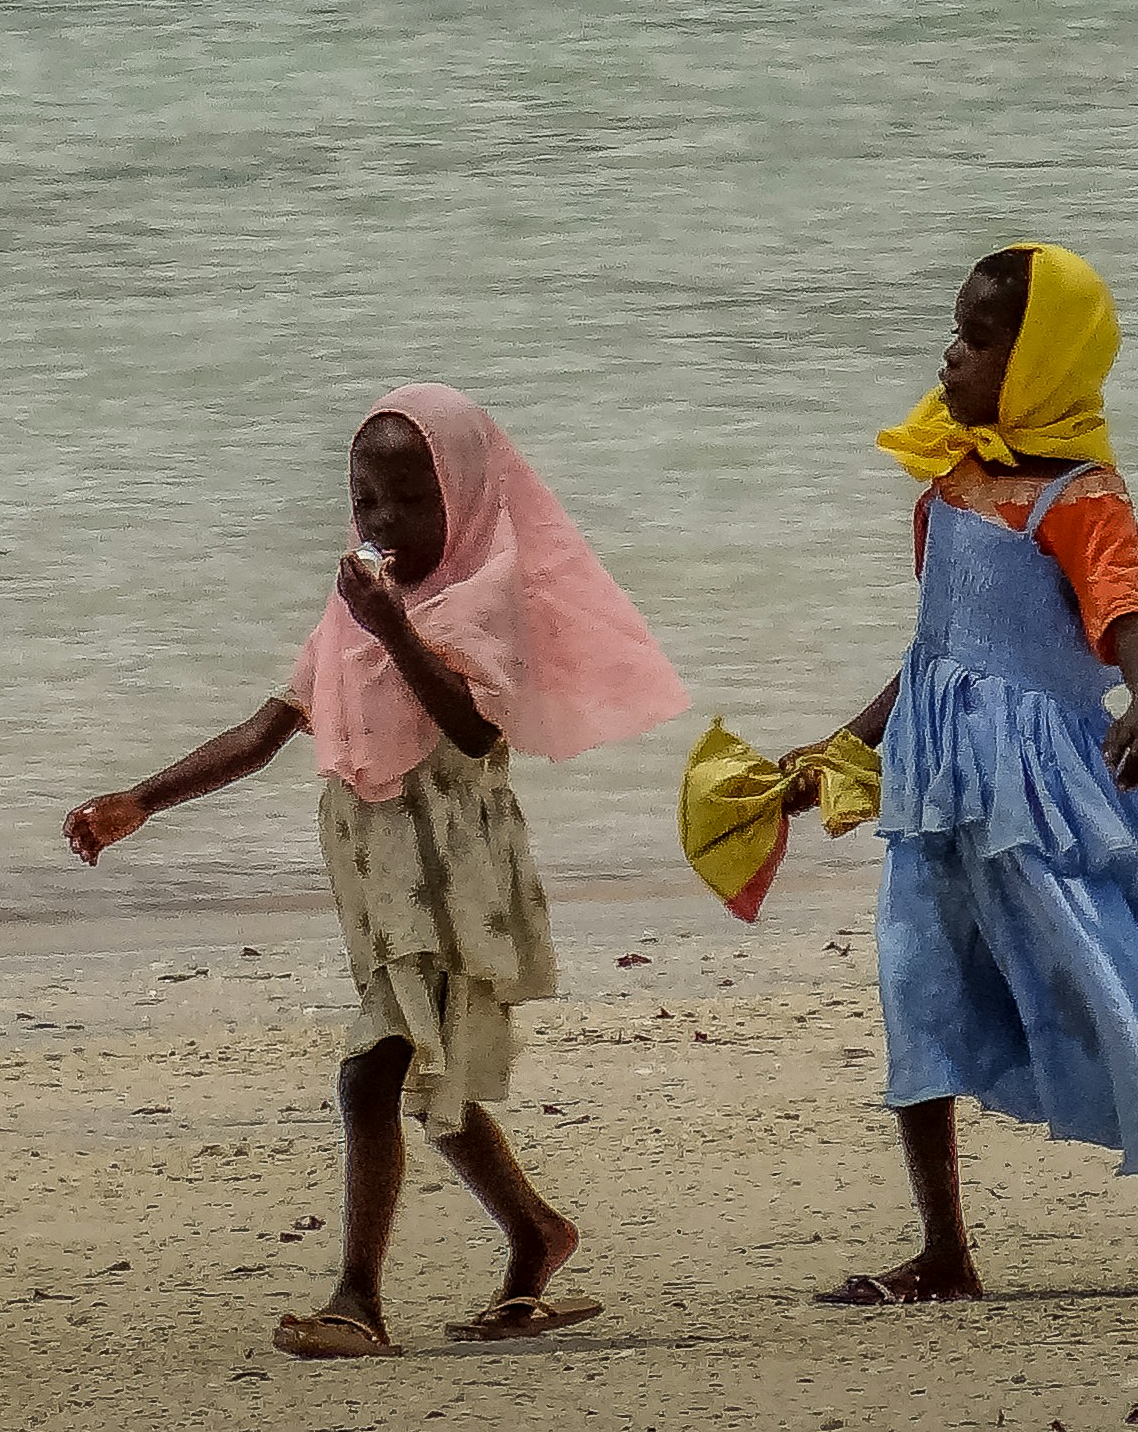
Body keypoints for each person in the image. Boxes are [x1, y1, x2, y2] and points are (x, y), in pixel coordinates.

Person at [62, 384, 688, 1355]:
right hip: (381, 877)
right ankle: (535, 1232)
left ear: (467, 501)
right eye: (366, 501)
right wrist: (139, 802)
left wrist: (397, 625)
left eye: (410, 499)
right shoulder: (347, 616)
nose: (384, 522)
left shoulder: (481, 603)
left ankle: (359, 1301)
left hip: (453, 877)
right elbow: (268, 728)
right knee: (431, 1083)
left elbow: (476, 724)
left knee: (372, 1076)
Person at [779, 242, 1138, 1304]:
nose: (952, 357)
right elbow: (935, 648)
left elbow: (1127, 617)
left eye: (980, 341)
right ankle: (944, 1252)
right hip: (941, 783)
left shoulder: (1080, 494)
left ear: (1039, 361)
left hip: (1042, 790)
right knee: (917, 983)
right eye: (956, 332)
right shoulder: (951, 477)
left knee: (1120, 977)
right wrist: (845, 749)